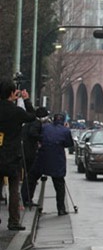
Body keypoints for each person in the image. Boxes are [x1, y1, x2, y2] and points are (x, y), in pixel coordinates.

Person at [0, 80, 36, 230]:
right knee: (14, 188)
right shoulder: (17, 112)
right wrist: (26, 99)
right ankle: (13, 221)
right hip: (13, 154)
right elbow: (32, 116)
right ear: (12, 93)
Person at [27, 113, 74, 216]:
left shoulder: (45, 127)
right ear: (63, 121)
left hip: (43, 158)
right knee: (59, 185)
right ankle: (61, 209)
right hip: (57, 160)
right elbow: (69, 144)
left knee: (32, 177)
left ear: (53, 120)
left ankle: (27, 199)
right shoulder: (65, 130)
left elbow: (40, 137)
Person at [20, 106, 50, 207]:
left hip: (24, 151)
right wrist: (42, 138)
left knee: (27, 177)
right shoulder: (36, 124)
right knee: (30, 177)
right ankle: (27, 198)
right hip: (29, 153)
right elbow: (32, 133)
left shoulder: (28, 123)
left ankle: (26, 197)